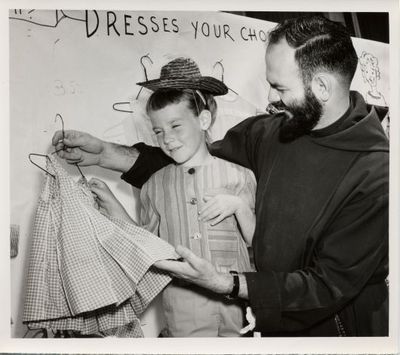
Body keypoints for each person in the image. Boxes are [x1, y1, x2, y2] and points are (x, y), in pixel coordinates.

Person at [52, 15, 389, 336]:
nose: (270, 99)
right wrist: (108, 154)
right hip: (262, 323)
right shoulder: (272, 131)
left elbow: (326, 286)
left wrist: (228, 283)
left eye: (280, 87)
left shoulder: (377, 174)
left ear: (322, 87)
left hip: (336, 334)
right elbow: (193, 165)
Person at [82, 57, 257, 337]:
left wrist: (239, 207)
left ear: (203, 119)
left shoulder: (241, 176)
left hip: (241, 311)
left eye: (176, 127)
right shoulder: (153, 186)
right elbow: (146, 246)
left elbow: (260, 246)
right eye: (159, 131)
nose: (167, 139)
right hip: (183, 312)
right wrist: (113, 207)